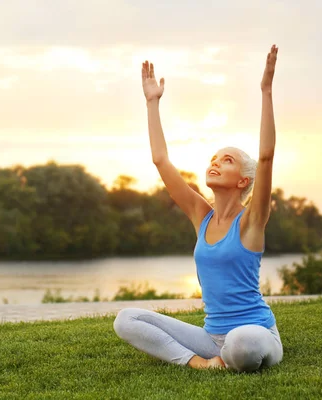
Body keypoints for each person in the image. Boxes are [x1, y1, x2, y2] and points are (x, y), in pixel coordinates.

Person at [113, 45, 282, 372]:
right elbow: (161, 161)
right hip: (210, 337)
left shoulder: (251, 222)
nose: (216, 163)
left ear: (243, 182)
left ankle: (228, 357)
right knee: (126, 319)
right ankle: (199, 364)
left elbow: (266, 157)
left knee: (242, 343)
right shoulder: (200, 216)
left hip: (256, 333)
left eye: (227, 160)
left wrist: (266, 91)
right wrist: (152, 103)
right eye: (214, 159)